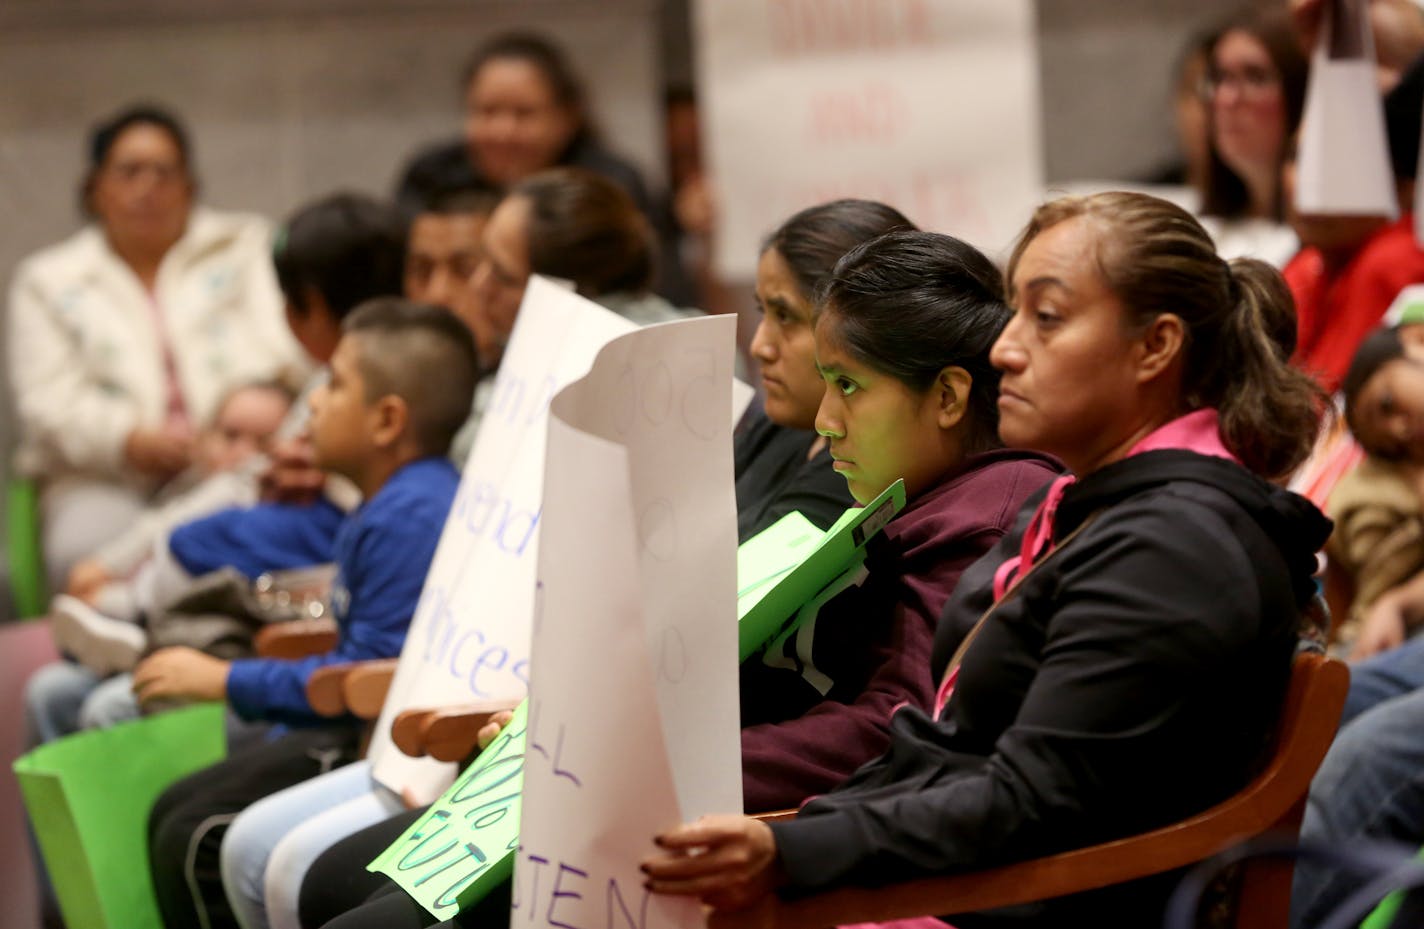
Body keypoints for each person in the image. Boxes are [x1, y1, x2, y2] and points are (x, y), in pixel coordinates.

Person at [303, 229, 1061, 929]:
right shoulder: (913, 497)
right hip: (698, 796)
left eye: (851, 387)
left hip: (760, 835)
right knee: (338, 883)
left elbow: (886, 725)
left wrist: (645, 763)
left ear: (952, 397)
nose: (827, 419)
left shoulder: (983, 521)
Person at [642, 191, 1330, 929]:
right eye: (1014, 312)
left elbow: (1030, 799)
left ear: (1155, 347)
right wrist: (792, 836)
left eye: (1048, 317)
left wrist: (791, 852)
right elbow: (939, 748)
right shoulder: (1102, 507)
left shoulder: (1175, 545)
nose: (1004, 346)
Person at [213, 168, 701, 929]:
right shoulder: (494, 383)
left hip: (530, 714)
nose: (472, 286)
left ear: (561, 288)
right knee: (259, 837)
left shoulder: (645, 377)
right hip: (448, 696)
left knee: (271, 854)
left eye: (494, 272)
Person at [20, 192, 408, 746]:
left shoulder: (408, 405)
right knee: (56, 685)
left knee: (116, 702)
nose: (322, 407)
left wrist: (332, 478)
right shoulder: (326, 391)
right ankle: (139, 620)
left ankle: (141, 622)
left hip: (314, 613)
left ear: (305, 308)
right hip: (299, 580)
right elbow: (255, 475)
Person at [141, 298, 478, 929]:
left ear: (386, 421)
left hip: (378, 739)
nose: (315, 403)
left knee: (195, 832)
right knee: (174, 808)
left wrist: (224, 680)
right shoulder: (389, 500)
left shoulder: (413, 514)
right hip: (345, 720)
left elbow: (366, 674)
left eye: (335, 383)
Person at [6, 104, 304, 592]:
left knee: (259, 540)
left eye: (165, 172)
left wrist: (224, 434)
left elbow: (287, 354)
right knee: (90, 556)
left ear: (190, 186)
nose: (148, 187)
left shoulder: (246, 247)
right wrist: (128, 440)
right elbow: (46, 404)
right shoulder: (48, 280)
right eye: (129, 172)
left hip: (238, 459)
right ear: (95, 187)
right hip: (102, 477)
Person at [736, 199, 911, 540]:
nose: (760, 346)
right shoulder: (783, 425)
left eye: (784, 316)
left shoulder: (862, 472)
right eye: (763, 312)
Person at [393, 33, 649, 222]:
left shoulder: (611, 185)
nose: (503, 131)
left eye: (524, 113)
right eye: (487, 111)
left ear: (567, 118)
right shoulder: (430, 176)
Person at [1284, 51, 1424, 393]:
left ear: (1401, 184)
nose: (1308, 182)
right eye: (1297, 157)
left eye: (1335, 163)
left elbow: (1318, 410)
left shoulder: (1395, 260)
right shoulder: (1309, 264)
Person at [1324, 327, 1424, 662]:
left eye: (1387, 403)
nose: (1400, 430)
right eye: (1393, 447)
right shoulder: (1374, 490)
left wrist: (1396, 604)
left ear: (1418, 341)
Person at [1196, 7, 1307, 265]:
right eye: (1219, 78)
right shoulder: (1203, 231)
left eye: (1256, 77)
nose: (1226, 99)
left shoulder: (1323, 251)